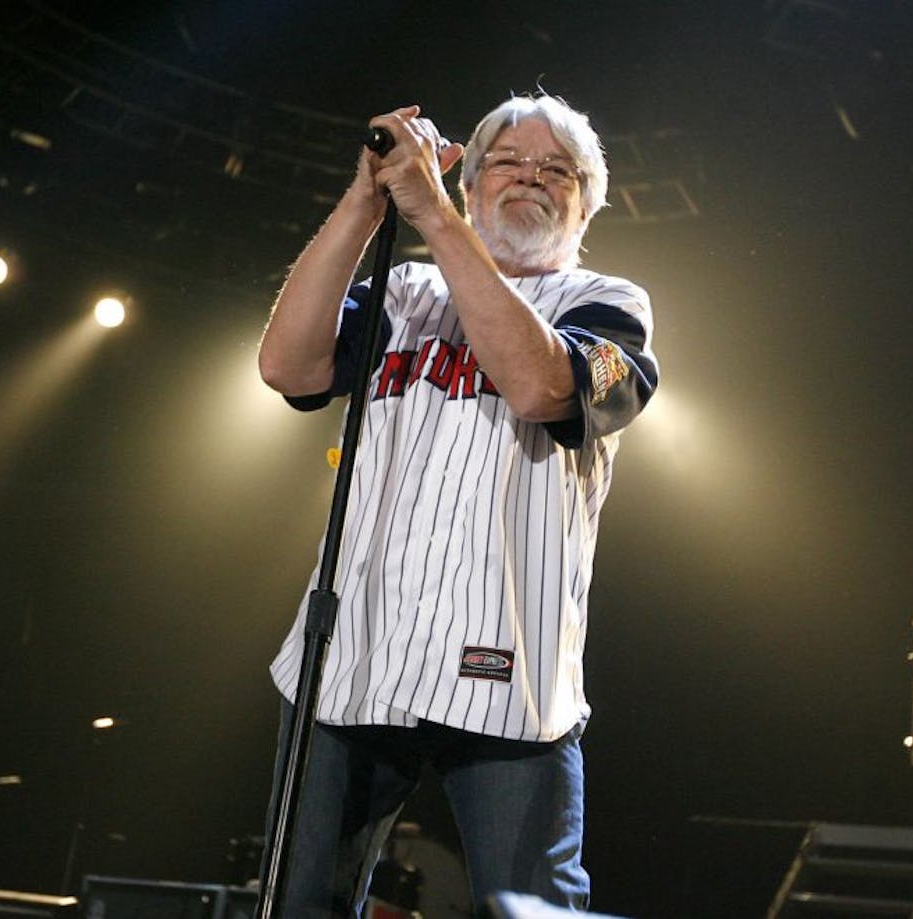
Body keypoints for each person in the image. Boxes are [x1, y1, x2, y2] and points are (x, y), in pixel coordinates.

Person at [258, 93, 659, 916]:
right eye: (510, 161)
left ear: (588, 204)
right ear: (472, 183)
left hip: (511, 677)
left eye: (559, 170)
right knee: (298, 905)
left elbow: (542, 385)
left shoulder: (610, 305)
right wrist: (368, 199)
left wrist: (434, 215)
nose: (533, 178)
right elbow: (289, 367)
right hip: (355, 656)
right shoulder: (404, 289)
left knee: (533, 910)